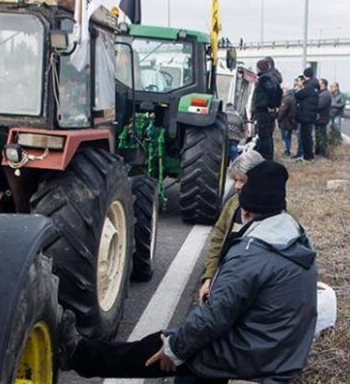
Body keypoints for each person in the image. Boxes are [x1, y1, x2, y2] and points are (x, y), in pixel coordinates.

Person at [60, 161, 318, 382]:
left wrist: (174, 348)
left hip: (258, 353)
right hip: (283, 350)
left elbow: (216, 315)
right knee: (187, 344)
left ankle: (78, 354)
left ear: (247, 210)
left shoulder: (254, 252)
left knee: (160, 348)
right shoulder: (293, 237)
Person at [198, 150, 265, 304]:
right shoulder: (232, 204)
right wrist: (209, 278)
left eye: (242, 180)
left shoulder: (280, 210)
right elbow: (217, 240)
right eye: (235, 180)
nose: (237, 186)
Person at [253, 58, 282, 160]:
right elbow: (279, 92)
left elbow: (271, 90)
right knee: (268, 136)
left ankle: (266, 158)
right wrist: (276, 106)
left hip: (264, 110)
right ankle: (267, 157)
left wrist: (270, 105)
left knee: (264, 136)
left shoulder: (264, 79)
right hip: (270, 111)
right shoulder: (274, 78)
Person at [294, 67, 319, 161]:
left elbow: (298, 95)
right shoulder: (315, 86)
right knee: (308, 136)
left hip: (306, 115)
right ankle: (308, 155)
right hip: (310, 114)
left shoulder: (309, 86)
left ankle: (307, 156)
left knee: (306, 137)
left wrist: (298, 88)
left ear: (305, 76)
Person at [314, 78, 331, 157]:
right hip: (320, 118)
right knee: (318, 135)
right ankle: (318, 151)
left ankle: (322, 152)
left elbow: (319, 105)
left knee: (321, 136)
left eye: (319, 84)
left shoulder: (325, 95)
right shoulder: (321, 93)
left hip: (322, 118)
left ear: (323, 85)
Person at [278, 88, 296, 157]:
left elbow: (282, 111)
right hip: (290, 121)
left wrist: (279, 119)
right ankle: (288, 150)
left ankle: (287, 151)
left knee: (285, 137)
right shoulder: (293, 99)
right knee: (288, 136)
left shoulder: (286, 99)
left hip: (285, 121)